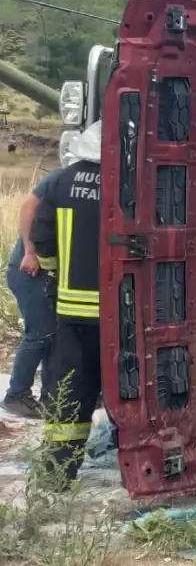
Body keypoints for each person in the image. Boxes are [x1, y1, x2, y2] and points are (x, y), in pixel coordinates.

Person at [30, 122, 103, 484]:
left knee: (70, 391)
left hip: (71, 311)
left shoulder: (60, 182)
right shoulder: (133, 183)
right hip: (121, 314)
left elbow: (41, 237)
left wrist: (57, 273)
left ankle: (58, 473)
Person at [1, 171, 63, 418]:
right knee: (41, 332)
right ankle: (16, 395)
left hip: (47, 274)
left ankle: (50, 396)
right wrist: (29, 251)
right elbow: (28, 207)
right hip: (28, 270)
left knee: (53, 334)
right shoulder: (59, 178)